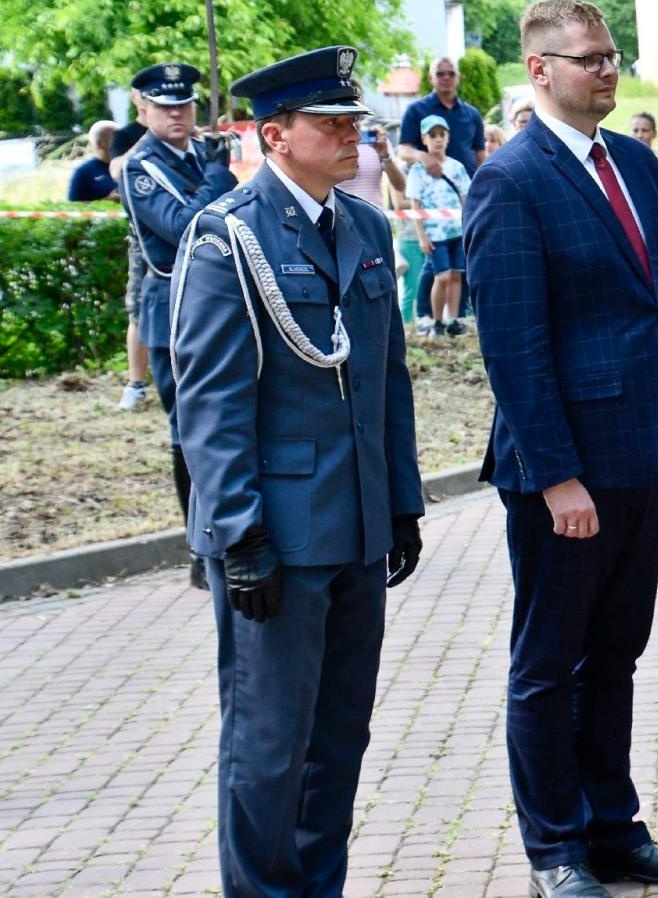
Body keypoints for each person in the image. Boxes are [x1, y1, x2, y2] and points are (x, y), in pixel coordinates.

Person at [463, 0, 658, 898]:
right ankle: (556, 851)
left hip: (645, 448)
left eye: (612, 56)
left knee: (616, 654)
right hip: (565, 471)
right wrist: (555, 476)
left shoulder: (641, 167)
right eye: (588, 59)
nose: (607, 71)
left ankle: (614, 831)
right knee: (548, 666)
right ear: (540, 72)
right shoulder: (511, 179)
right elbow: (514, 345)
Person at [170, 45, 425, 897]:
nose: (352, 136)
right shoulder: (229, 236)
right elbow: (210, 403)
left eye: (355, 122)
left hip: (352, 522)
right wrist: (237, 534)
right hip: (276, 534)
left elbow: (386, 379)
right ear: (275, 135)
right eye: (331, 123)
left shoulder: (362, 227)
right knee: (269, 745)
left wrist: (400, 502)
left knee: (338, 738)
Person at [120, 61, 237, 589]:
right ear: (142, 111)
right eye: (165, 107)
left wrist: (216, 176)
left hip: (216, 303)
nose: (178, 114)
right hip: (171, 309)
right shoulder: (140, 167)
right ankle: (200, 546)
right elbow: (182, 227)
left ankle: (228, 533)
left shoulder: (198, 155)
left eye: (184, 104)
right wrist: (217, 176)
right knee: (189, 430)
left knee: (224, 421)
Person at [399, 57, 486, 329]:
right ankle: (428, 318)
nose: (446, 78)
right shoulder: (417, 110)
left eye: (451, 73)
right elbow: (403, 149)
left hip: (464, 202)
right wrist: (423, 158)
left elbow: (481, 156)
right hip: (430, 206)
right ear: (431, 77)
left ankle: (456, 318)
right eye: (440, 73)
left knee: (460, 269)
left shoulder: (471, 114)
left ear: (458, 77)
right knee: (434, 270)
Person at [406, 115, 472, 337]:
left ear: (448, 137)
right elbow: (415, 205)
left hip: (457, 232)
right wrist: (422, 236)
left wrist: (469, 229)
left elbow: (465, 199)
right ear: (424, 139)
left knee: (456, 275)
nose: (437, 140)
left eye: (442, 134)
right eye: (432, 135)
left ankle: (453, 319)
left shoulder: (457, 167)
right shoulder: (417, 170)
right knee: (441, 276)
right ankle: (436, 320)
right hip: (435, 234)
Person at [111, 93, 152, 411]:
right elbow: (117, 170)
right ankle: (136, 384)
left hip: (187, 233)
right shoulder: (127, 136)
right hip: (144, 238)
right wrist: (152, 136)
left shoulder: (185, 139)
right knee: (138, 310)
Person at [68, 120, 119, 201]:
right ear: (100, 144)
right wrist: (107, 201)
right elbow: (72, 207)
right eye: (117, 138)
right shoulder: (83, 171)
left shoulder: (129, 166)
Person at [629, 111, 658, 194]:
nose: (640, 135)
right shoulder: (622, 158)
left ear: (654, 133)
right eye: (635, 130)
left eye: (645, 130)